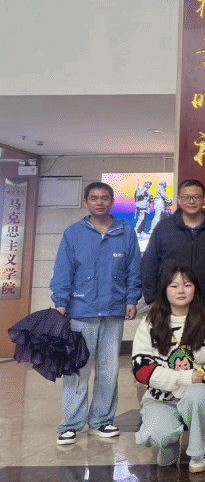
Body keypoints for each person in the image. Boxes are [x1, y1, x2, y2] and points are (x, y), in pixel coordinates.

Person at [51, 182, 141, 445]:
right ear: (85, 202)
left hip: (113, 311)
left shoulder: (126, 231)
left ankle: (101, 421)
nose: (99, 202)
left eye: (104, 198)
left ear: (112, 201)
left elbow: (134, 270)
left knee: (109, 370)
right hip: (81, 311)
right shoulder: (73, 233)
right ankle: (70, 424)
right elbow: (63, 270)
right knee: (77, 369)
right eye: (94, 198)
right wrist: (60, 302)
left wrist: (132, 299)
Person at [132, 267, 205, 472]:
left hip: (198, 393)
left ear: (195, 289)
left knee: (196, 395)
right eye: (174, 286)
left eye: (187, 285)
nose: (181, 290)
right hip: (160, 398)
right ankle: (169, 441)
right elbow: (141, 369)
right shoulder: (150, 323)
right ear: (165, 290)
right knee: (157, 434)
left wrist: (198, 379)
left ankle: (197, 453)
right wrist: (184, 377)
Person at [141, 179, 205, 310]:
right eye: (186, 197)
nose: (191, 201)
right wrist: (152, 300)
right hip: (168, 305)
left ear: (204, 199)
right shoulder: (164, 227)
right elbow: (149, 265)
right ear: (179, 199)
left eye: (196, 197)